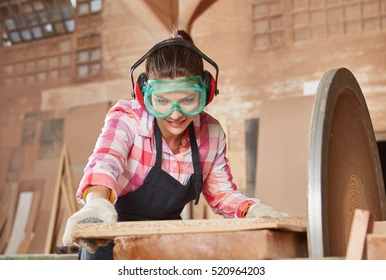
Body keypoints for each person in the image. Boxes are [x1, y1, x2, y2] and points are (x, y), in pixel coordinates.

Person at [62, 30, 288, 260]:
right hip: (110, 241)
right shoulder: (129, 119)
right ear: (144, 95)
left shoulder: (211, 133)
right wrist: (96, 207)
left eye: (188, 100)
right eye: (162, 101)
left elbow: (222, 195)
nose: (176, 113)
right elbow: (105, 161)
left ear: (206, 93)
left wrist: (253, 211)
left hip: (166, 240)